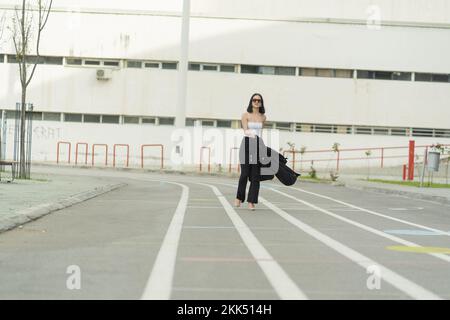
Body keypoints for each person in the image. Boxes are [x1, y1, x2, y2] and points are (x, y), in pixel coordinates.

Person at [234, 93, 266, 211]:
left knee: (255, 176)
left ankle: (251, 202)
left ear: (261, 102)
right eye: (254, 100)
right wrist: (254, 137)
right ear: (251, 102)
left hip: (258, 145)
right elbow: (246, 130)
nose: (256, 102)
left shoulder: (263, 117)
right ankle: (239, 197)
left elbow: (261, 132)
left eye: (258, 100)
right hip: (247, 143)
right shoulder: (245, 115)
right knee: (244, 174)